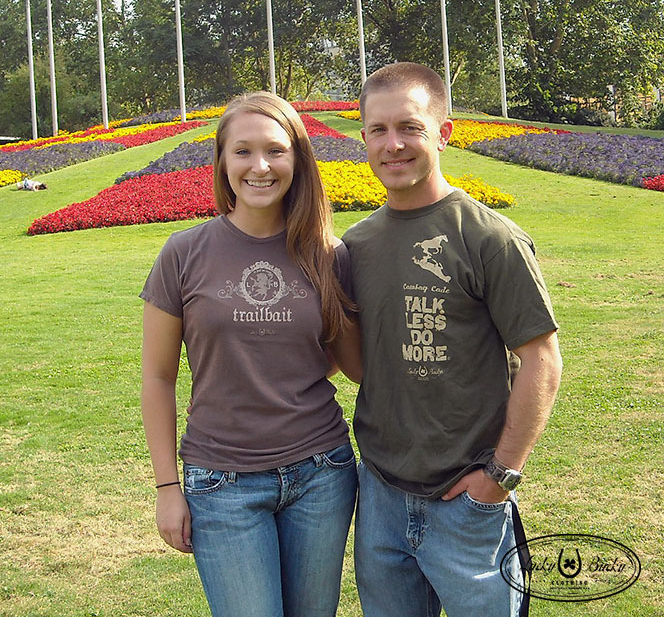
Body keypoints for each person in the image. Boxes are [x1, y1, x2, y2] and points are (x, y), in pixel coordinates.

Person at [343, 62, 562, 617]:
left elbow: (541, 360)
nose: (393, 145)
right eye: (378, 130)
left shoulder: (490, 237)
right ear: (363, 137)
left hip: (468, 502)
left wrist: (501, 476)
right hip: (381, 497)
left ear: (443, 132)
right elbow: (366, 365)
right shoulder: (357, 245)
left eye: (410, 128)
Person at [141, 92, 361, 617]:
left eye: (276, 151)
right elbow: (156, 377)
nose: (260, 166)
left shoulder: (329, 254)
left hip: (321, 474)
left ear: (298, 161)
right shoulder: (183, 253)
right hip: (221, 483)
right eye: (243, 151)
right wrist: (167, 486)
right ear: (221, 161)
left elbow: (348, 364)